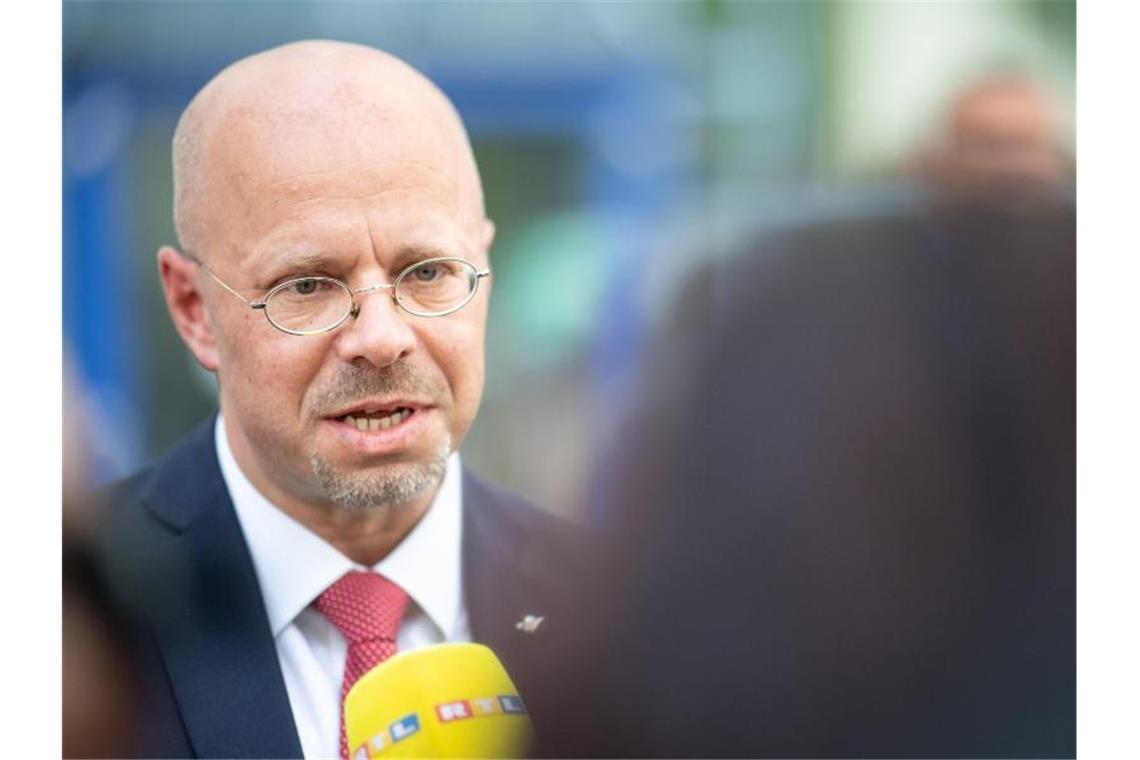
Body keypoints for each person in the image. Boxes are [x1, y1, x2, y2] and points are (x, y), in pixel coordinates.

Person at [95, 40, 585, 759]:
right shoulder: (66, 625)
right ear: (193, 308)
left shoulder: (631, 616)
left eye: (426, 272)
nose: (382, 339)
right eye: (308, 285)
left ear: (484, 264)